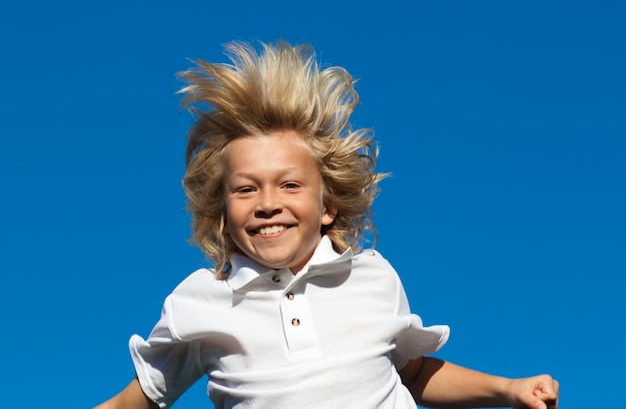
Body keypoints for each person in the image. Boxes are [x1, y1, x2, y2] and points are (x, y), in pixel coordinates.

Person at [94, 40, 559, 409]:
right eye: (245, 189)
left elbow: (412, 374)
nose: (268, 203)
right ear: (222, 212)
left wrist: (507, 389)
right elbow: (136, 401)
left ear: (328, 206)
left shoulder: (371, 277)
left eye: (290, 185)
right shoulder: (199, 302)